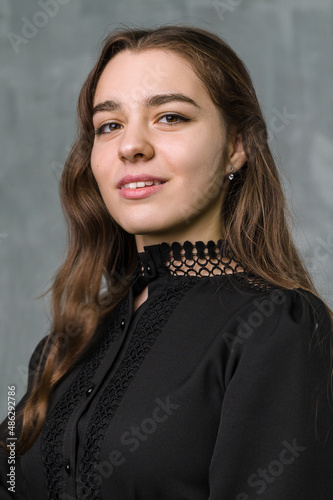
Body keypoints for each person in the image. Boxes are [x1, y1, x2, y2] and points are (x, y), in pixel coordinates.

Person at [1, 24, 332, 500]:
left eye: (170, 117)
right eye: (109, 125)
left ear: (236, 148)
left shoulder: (276, 327)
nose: (130, 146)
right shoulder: (69, 340)